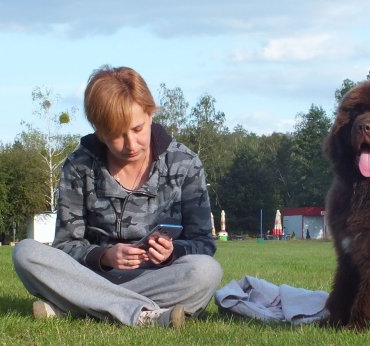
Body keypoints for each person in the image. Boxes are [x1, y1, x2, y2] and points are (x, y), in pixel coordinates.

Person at [12, 65, 222, 328]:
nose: (131, 144)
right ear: (99, 131)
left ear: (150, 114)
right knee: (26, 253)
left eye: (137, 129)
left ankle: (77, 305)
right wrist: (105, 256)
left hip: (159, 278)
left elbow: (203, 243)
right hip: (92, 276)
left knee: (206, 271)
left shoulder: (185, 163)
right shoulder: (79, 166)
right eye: (116, 135)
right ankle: (143, 314)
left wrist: (172, 252)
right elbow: (65, 246)